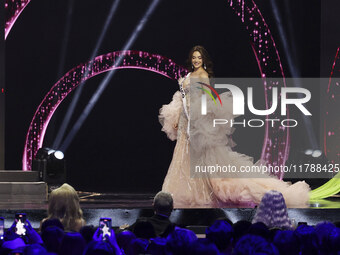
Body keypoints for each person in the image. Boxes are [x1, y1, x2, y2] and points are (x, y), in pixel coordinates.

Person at [159, 45, 310, 208]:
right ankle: (184, 192)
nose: (196, 60)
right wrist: (178, 115)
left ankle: (202, 193)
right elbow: (183, 97)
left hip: (195, 122)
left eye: (199, 58)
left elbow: (206, 99)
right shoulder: (189, 75)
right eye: (194, 57)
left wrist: (201, 120)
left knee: (202, 159)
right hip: (185, 121)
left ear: (204, 60)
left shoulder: (203, 75)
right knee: (183, 155)